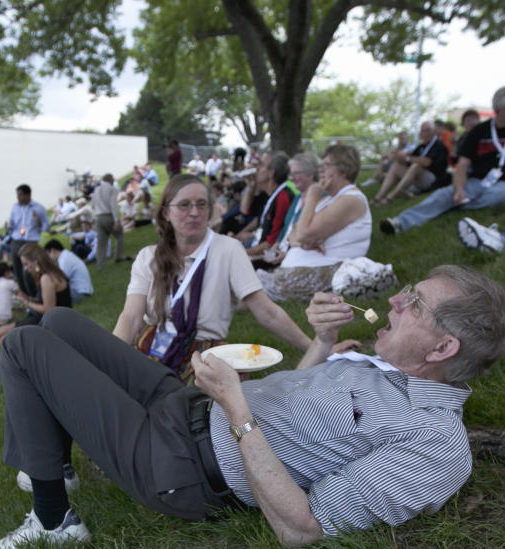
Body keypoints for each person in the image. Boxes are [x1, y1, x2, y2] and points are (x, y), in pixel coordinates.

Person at [0, 265, 505, 549]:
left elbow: (303, 529)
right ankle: (53, 463)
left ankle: (53, 518)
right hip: (188, 404)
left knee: (23, 345)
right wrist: (324, 341)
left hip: (180, 467)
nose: (394, 301)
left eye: (414, 304)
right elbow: (305, 395)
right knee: (57, 320)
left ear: (443, 349)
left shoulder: (434, 445)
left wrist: (235, 403)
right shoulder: (383, 366)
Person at [112, 174, 311, 382]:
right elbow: (131, 317)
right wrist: (108, 358)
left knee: (194, 407)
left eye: (201, 204)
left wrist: (314, 346)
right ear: (166, 213)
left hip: (206, 354)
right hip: (152, 346)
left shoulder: (228, 249)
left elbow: (267, 312)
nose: (194, 213)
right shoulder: (148, 257)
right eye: (184, 205)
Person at [382, 86, 505, 235]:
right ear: (498, 109)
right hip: (477, 181)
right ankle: (400, 222)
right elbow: (462, 165)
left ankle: (451, 207)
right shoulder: (479, 132)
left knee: (499, 195)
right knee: (445, 193)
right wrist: (459, 189)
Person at [257, 145, 371, 301]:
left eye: (326, 165)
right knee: (242, 288)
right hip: (303, 271)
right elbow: (293, 233)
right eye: (321, 165)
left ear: (344, 169)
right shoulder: (331, 199)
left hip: (321, 273)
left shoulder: (350, 199)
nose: (321, 170)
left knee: (246, 291)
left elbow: (303, 233)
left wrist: (311, 196)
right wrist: (303, 243)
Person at [372, 121, 450, 206]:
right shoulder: (421, 146)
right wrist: (398, 156)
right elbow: (408, 161)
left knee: (416, 166)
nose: (424, 133)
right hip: (418, 179)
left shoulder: (438, 145)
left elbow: (427, 162)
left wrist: (407, 158)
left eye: (428, 130)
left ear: (434, 132)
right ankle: (378, 197)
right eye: (422, 131)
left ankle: (391, 197)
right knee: (396, 166)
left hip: (432, 180)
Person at [7, 184, 50, 297]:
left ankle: (36, 296)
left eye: (20, 195)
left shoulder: (38, 208)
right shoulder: (15, 207)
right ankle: (27, 299)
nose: (18, 197)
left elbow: (47, 227)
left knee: (28, 271)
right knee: (18, 272)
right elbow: (12, 224)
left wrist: (38, 222)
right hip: (16, 241)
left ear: (28, 194)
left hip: (30, 243)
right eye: (17, 195)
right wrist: (9, 229)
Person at [91, 173, 126, 269]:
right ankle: (119, 256)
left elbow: (92, 206)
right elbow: (113, 205)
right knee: (119, 235)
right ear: (111, 180)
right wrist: (116, 220)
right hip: (109, 216)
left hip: (98, 217)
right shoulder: (112, 189)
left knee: (101, 243)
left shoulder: (96, 190)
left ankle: (100, 265)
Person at [44, 239, 93, 304]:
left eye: (48, 254)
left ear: (53, 250)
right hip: (83, 292)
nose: (48, 258)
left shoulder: (64, 260)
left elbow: (60, 281)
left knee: (54, 291)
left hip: (81, 294)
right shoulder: (66, 255)